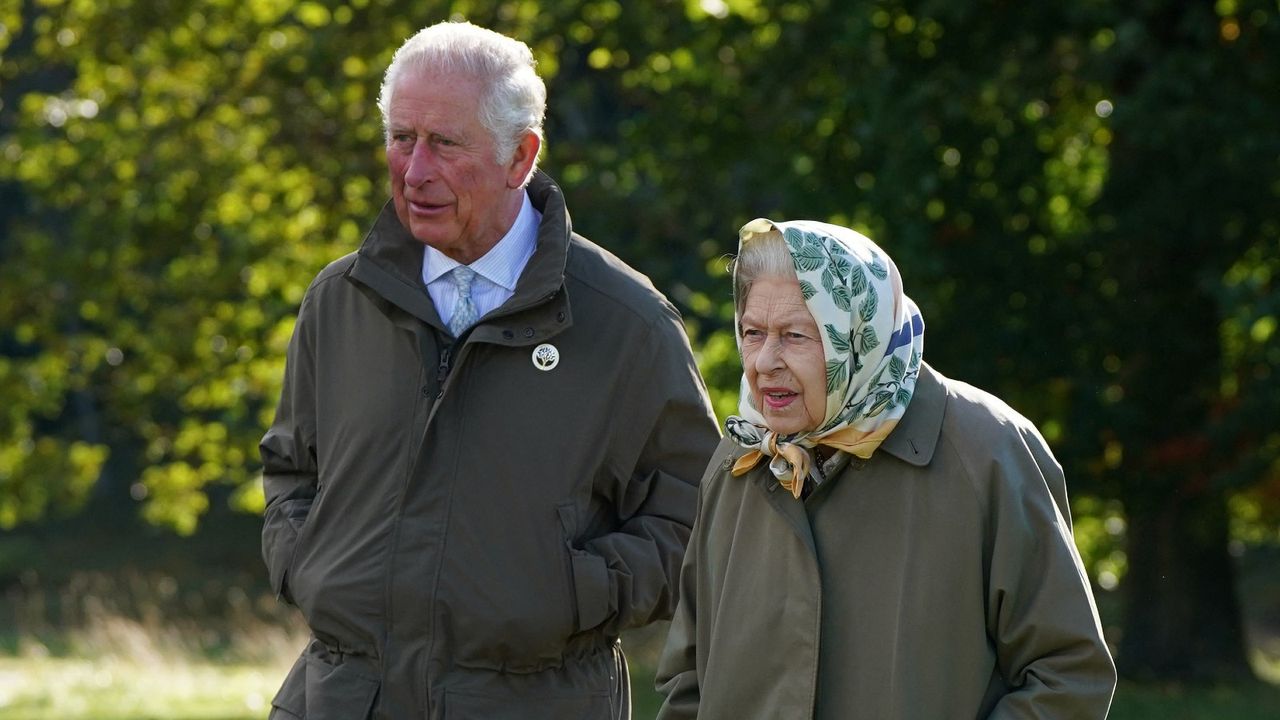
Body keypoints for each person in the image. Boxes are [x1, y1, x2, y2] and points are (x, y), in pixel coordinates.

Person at [259, 21, 719, 720]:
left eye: (444, 143)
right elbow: (292, 471)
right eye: (401, 137)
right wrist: (309, 565)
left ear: (520, 156)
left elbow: (695, 518)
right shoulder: (339, 300)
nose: (414, 171)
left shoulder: (627, 323)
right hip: (342, 699)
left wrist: (568, 592)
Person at [655, 218, 1117, 719]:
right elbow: (690, 682)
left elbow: (1068, 676)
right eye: (752, 332)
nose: (765, 360)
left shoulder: (989, 452)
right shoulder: (738, 459)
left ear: (858, 335)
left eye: (794, 335)